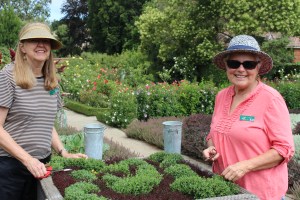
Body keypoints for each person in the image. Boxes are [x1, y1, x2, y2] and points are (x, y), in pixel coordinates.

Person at [0, 22, 87, 200]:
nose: (41, 44)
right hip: (10, 169)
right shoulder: (8, 76)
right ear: (22, 47)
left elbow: (46, 124)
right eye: (34, 40)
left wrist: (63, 152)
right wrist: (28, 160)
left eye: (45, 41)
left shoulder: (51, 82)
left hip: (41, 166)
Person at [203, 35, 295, 200]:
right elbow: (213, 134)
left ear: (258, 67)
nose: (241, 69)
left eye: (249, 64)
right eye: (234, 63)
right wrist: (211, 148)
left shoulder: (271, 99)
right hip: (226, 191)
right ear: (226, 65)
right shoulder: (221, 96)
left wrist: (245, 166)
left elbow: (284, 149)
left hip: (261, 194)